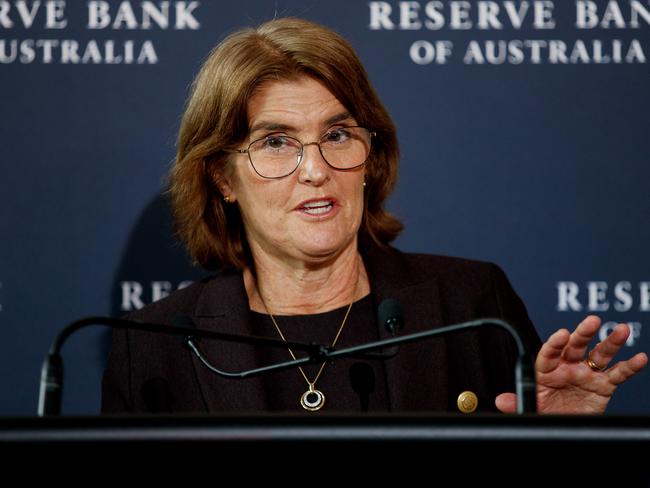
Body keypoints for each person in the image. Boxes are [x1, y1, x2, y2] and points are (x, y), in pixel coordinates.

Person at [101, 17, 647, 414]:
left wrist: (560, 440)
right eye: (275, 142)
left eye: (336, 135)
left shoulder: (473, 302)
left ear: (370, 155)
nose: (315, 170)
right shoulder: (153, 345)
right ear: (223, 179)